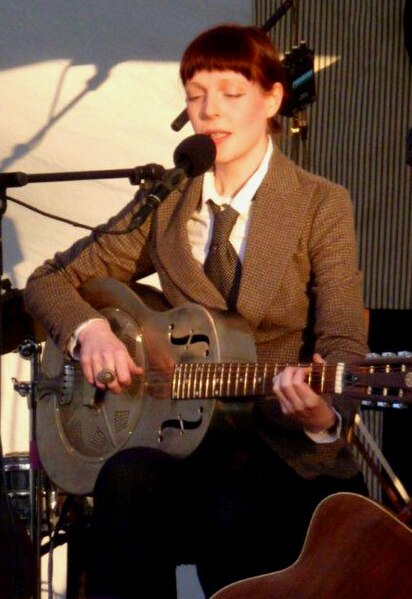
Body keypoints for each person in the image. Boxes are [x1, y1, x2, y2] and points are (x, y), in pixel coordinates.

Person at [24, 24, 369, 599]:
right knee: (126, 481)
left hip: (279, 445)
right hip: (179, 436)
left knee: (235, 513)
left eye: (231, 94)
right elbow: (50, 279)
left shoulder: (319, 205)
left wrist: (321, 414)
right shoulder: (166, 199)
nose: (211, 111)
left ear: (272, 99)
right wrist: (91, 331)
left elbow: (343, 342)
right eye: (195, 95)